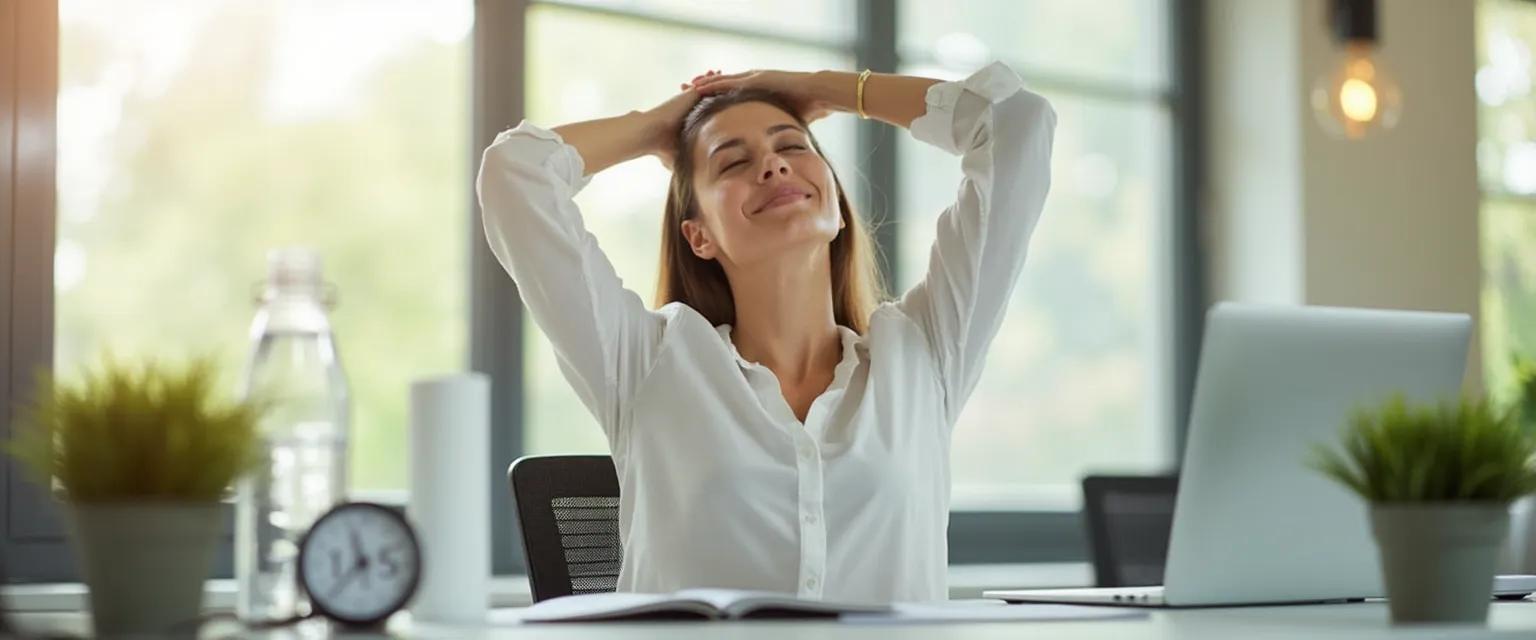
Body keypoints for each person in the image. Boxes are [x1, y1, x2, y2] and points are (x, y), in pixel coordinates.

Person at [476, 61, 1056, 603]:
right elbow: (517, 174)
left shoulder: (924, 354)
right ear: (698, 235)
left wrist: (827, 89)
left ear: (834, 198)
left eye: (793, 146)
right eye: (732, 161)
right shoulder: (645, 361)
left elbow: (1014, 122)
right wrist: (657, 127)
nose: (774, 166)